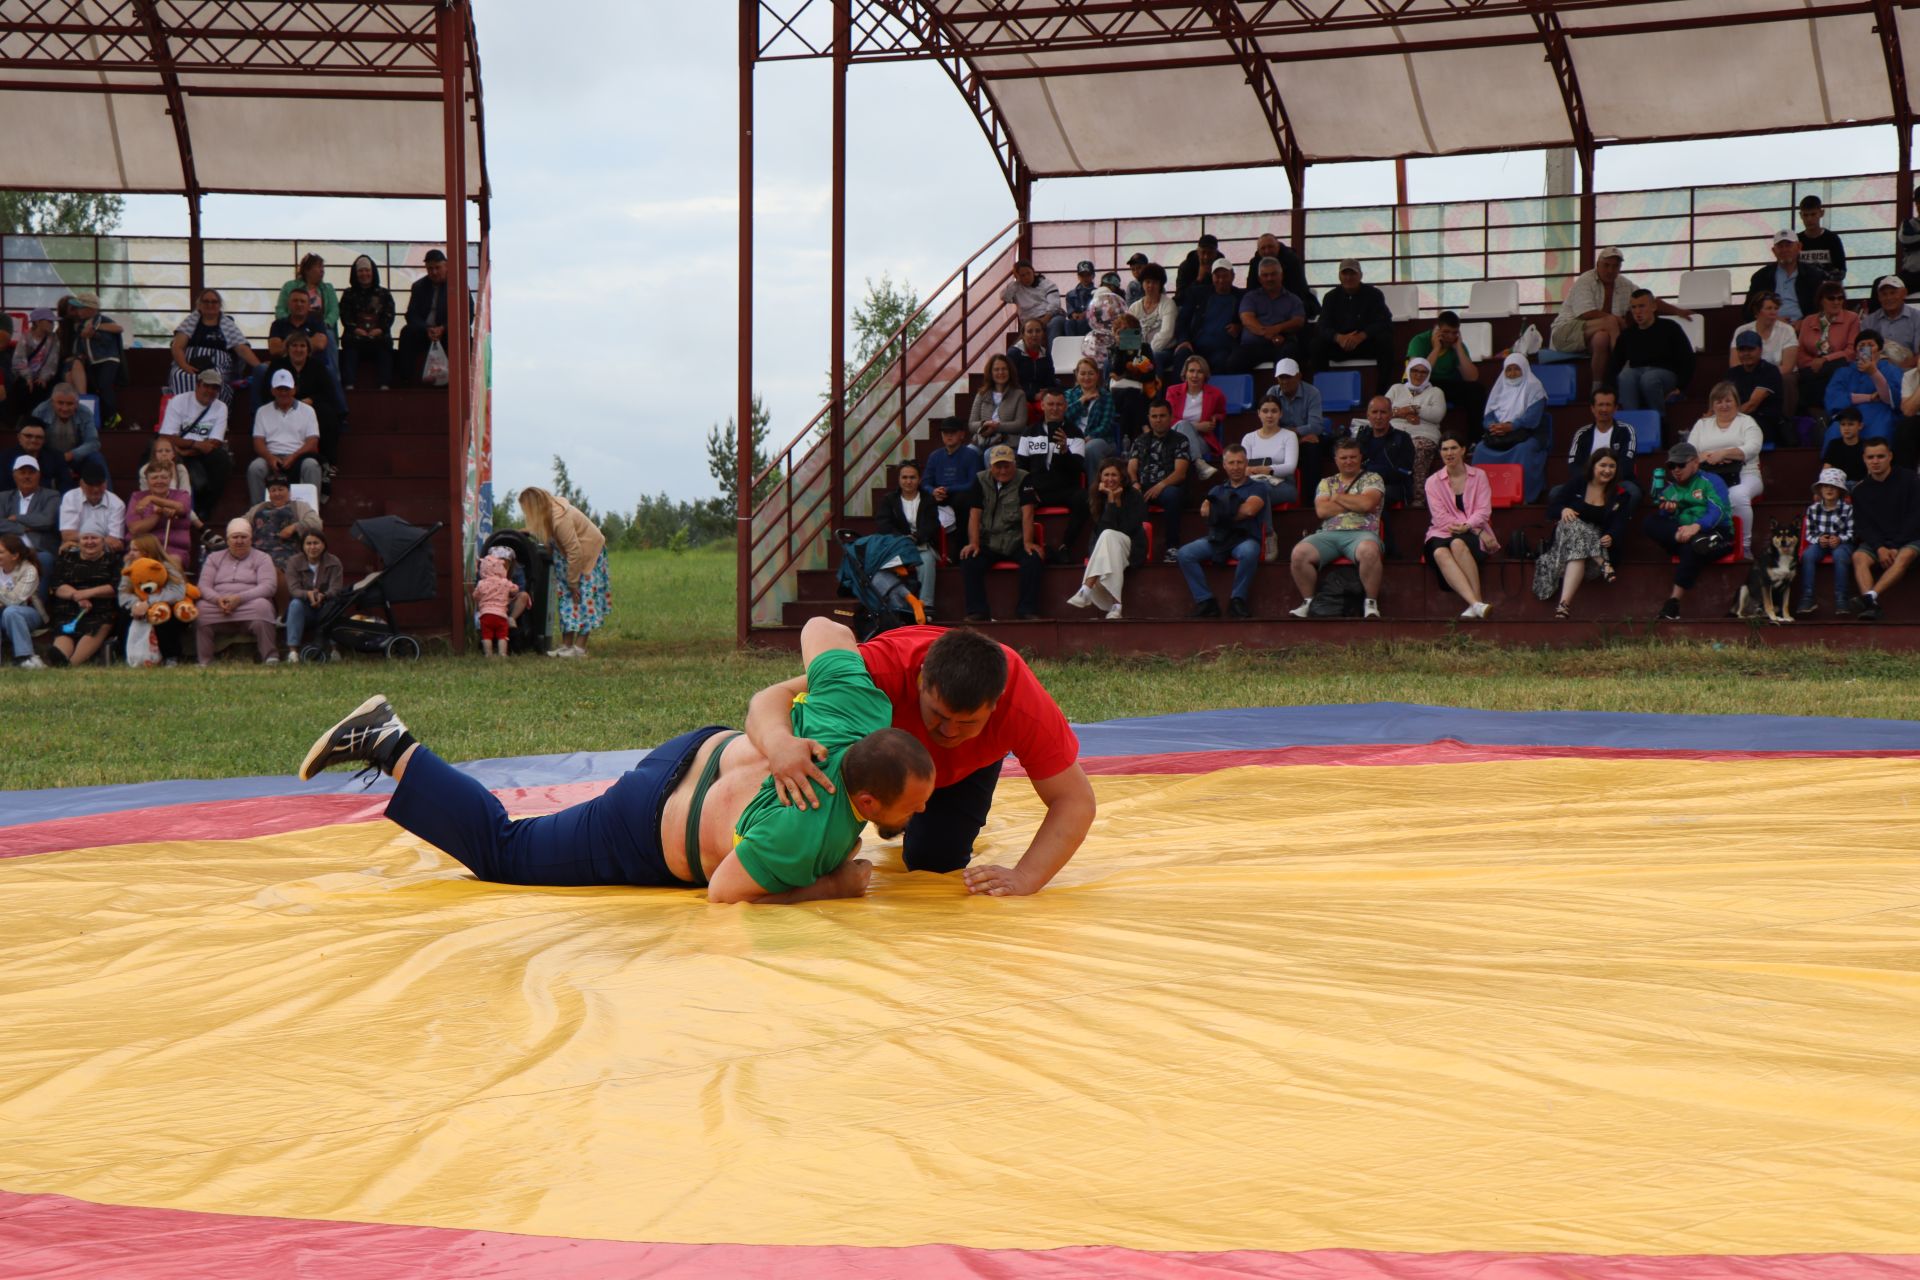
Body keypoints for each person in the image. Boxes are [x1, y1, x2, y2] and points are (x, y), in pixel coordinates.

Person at [301, 622, 939, 903]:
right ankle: (387, 742)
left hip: (695, 751)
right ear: (865, 804)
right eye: (914, 806)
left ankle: (390, 744)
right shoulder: (807, 831)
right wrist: (834, 886)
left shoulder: (858, 710)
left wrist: (793, 702)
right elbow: (725, 891)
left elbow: (827, 627)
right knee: (507, 852)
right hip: (647, 827)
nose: (923, 813)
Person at [746, 622, 1093, 892]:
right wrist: (779, 745)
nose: (949, 732)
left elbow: (1075, 800)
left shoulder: (1023, 704)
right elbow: (773, 696)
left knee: (934, 865)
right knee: (797, 809)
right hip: (880, 759)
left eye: (968, 723)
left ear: (997, 703)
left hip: (961, 773)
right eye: (938, 715)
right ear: (921, 679)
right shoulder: (882, 670)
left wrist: (1025, 877)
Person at [1551, 247, 1683, 387]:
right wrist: (1618, 320)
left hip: (1591, 337)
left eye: (1615, 266)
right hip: (1564, 333)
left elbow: (1648, 301)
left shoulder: (1624, 284)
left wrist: (1679, 311)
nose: (1610, 270)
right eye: (1606, 265)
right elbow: (1586, 313)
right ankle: (1626, 368)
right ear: (1598, 264)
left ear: (1620, 267)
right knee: (1611, 321)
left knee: (1601, 339)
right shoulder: (1585, 280)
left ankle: (1598, 386)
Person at [1290, 436, 1385, 620]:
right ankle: (1309, 602)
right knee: (1299, 553)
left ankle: (1371, 603)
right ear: (1335, 460)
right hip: (1328, 534)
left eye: (1353, 457)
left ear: (1360, 457)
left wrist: (1337, 498)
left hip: (1362, 533)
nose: (1348, 461)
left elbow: (1367, 504)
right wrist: (1354, 502)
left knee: (1369, 551)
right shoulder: (1327, 482)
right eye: (1343, 458)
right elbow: (1322, 510)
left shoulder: (1372, 478)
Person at [1176, 444, 1268, 619]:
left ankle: (1237, 600)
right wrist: (1233, 510)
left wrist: (1218, 513)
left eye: (1240, 462)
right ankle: (1206, 601)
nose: (1236, 467)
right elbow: (1204, 511)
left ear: (1246, 463)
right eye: (1231, 463)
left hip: (1244, 538)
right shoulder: (1216, 490)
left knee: (1250, 551)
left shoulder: (1258, 488)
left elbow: (1249, 510)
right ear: (1224, 465)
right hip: (1217, 539)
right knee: (1185, 553)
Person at [1643, 442, 1732, 621]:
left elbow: (1718, 511)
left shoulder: (1711, 481)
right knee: (1650, 522)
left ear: (1695, 463)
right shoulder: (1669, 490)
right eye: (1671, 466)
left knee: (1694, 548)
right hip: (1683, 536)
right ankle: (1688, 539)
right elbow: (1664, 523)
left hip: (1715, 532)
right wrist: (1670, 512)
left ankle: (1673, 602)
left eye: (1681, 465)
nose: (1676, 470)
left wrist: (1696, 527)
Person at [519, 485, 610, 658]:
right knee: (566, 602)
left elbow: (575, 551)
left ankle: (580, 649)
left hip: (586, 555)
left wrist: (573, 582)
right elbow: (544, 529)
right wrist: (524, 532)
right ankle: (567, 646)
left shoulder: (560, 519)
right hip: (568, 557)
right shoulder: (548, 512)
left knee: (583, 598)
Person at [1537, 448, 1630, 617]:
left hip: (1589, 554)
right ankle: (1603, 563)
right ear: (1593, 466)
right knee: (1571, 522)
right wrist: (1564, 509)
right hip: (1564, 545)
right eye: (1603, 465)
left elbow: (1619, 523)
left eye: (1612, 466)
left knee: (1577, 550)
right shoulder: (1578, 483)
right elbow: (1553, 508)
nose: (1607, 470)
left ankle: (1563, 606)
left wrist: (1612, 535)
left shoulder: (1620, 495)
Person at [960, 444, 1043, 622]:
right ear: (991, 467)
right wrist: (973, 543)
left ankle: (1026, 610)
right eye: (998, 466)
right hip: (988, 540)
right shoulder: (980, 480)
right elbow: (974, 514)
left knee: (1033, 559)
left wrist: (1028, 542)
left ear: (1014, 464)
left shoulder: (1024, 478)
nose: (1003, 470)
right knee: (969, 560)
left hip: (1015, 539)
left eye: (1007, 466)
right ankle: (978, 611)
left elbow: (1028, 512)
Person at [1422, 435, 1500, 619]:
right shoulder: (1432, 481)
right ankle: (1476, 603)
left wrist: (1470, 527)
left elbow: (1483, 511)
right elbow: (1440, 518)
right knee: (1440, 552)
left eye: (1453, 448)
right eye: (1444, 449)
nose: (1449, 453)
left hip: (1471, 530)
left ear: (1463, 450)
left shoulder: (1478, 475)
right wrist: (1475, 530)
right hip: (1441, 532)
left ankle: (1476, 603)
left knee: (1457, 544)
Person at [1687, 380, 1765, 554]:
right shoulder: (1702, 424)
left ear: (1736, 402)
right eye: (1719, 401)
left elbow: (1753, 448)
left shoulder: (1747, 422)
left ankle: (1743, 547)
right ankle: (1704, 543)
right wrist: (1706, 457)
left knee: (1737, 495)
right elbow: (1688, 452)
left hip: (1746, 473)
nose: (1724, 405)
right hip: (1709, 475)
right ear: (1712, 405)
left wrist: (1724, 453)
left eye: (1728, 400)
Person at [1847, 438, 1920, 620]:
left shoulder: (1910, 479)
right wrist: (1879, 547)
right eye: (1871, 457)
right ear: (1864, 459)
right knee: (1858, 557)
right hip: (1879, 542)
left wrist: (1895, 545)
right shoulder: (1859, 490)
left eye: (1880, 456)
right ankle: (1873, 606)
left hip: (1909, 538)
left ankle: (1869, 597)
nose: (1875, 461)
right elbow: (1863, 525)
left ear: (1890, 457)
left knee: (1904, 556)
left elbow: (1916, 516)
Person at [268, 330, 345, 496]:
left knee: (328, 415)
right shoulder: (278, 366)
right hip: (281, 405)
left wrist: (311, 400)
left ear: (308, 350)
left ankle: (328, 461)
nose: (298, 349)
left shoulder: (317, 367)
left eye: (302, 346)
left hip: (310, 406)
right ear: (288, 349)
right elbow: (266, 391)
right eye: (294, 346)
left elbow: (327, 392)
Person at [1068, 458, 1145, 620]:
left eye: (1114, 475)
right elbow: (1103, 529)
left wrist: (1115, 501)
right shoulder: (1097, 496)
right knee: (1108, 537)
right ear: (1100, 478)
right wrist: (1110, 500)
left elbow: (1128, 528)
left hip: (1132, 546)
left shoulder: (1134, 496)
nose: (1110, 479)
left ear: (1122, 477)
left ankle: (1086, 589)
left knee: (1109, 536)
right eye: (1106, 475)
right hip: (1108, 547)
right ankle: (1117, 606)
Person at [194, 519, 279, 664]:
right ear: (227, 540)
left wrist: (239, 598)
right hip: (219, 606)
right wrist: (218, 600)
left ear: (251, 539)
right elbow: (203, 586)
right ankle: (205, 661)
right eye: (235, 537)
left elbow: (269, 586)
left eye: (244, 537)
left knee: (263, 606)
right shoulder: (214, 558)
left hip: (249, 604)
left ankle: (270, 657)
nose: (239, 541)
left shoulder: (263, 558)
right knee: (201, 608)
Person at [157, 368, 233, 519]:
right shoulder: (178, 401)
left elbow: (215, 442)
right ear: (198, 385)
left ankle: (205, 509)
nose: (210, 391)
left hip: (196, 451)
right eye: (207, 386)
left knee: (223, 460)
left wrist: (188, 451)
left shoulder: (221, 407)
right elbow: (167, 435)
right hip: (177, 448)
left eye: (215, 388)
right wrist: (194, 444)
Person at [1312, 258, 1396, 390]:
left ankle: (1382, 393)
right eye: (1345, 274)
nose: (1348, 278)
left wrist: (1362, 336)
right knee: (1317, 346)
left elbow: (1385, 322)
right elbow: (1322, 326)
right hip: (1340, 346)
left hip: (1365, 344)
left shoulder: (1374, 294)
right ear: (1339, 276)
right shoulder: (1331, 297)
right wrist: (1338, 337)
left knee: (1386, 342)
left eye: (1353, 274)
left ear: (1360, 275)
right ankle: (1325, 392)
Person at [1476, 354, 1550, 501]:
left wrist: (1511, 426)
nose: (1512, 373)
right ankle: (1482, 498)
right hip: (1501, 435)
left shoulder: (1534, 387)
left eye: (1517, 369)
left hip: (1529, 434)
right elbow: (1489, 415)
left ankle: (1523, 497)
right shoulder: (1500, 387)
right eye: (1508, 370)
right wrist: (1493, 426)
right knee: (1480, 449)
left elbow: (1532, 417)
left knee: (1524, 450)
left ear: (1525, 369)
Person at [1607, 288, 1695, 412]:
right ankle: (1632, 423)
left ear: (1653, 306)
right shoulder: (1627, 335)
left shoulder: (1670, 328)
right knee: (1625, 376)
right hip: (1637, 374)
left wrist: (1681, 387)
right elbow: (1615, 365)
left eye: (1642, 306)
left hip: (1665, 374)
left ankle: (1659, 420)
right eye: (1634, 307)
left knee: (1649, 378)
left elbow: (1688, 359)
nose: (1637, 312)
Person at [167, 289, 261, 403]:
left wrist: (259, 367)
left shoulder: (228, 324)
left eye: (214, 302)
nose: (210, 305)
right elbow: (177, 347)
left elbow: (242, 349)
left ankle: (211, 415)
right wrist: (185, 366)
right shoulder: (190, 321)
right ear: (199, 305)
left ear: (219, 305)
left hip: (219, 365)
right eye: (206, 301)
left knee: (213, 378)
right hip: (190, 363)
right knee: (180, 376)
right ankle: (185, 415)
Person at [246, 370, 324, 506]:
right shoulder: (262, 411)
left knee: (312, 465)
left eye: (287, 389)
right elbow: (258, 442)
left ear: (294, 389)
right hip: (271, 456)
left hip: (299, 456)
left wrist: (294, 457)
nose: (283, 392)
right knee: (255, 467)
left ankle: (311, 514)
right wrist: (270, 458)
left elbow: (312, 441)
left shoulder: (308, 410)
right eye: (279, 389)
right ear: (272, 390)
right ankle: (258, 512)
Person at [875, 459, 942, 614]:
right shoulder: (889, 500)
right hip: (897, 546)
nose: (908, 481)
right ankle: (895, 605)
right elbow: (883, 524)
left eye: (912, 477)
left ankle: (926, 605)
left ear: (919, 480)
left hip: (921, 543)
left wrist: (916, 537)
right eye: (904, 477)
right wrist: (902, 539)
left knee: (926, 560)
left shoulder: (928, 499)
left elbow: (932, 525)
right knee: (885, 566)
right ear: (899, 479)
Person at [1128, 399, 1191, 561]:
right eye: (1154, 416)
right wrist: (1135, 483)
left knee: (1172, 495)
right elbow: (1131, 467)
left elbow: (1180, 473)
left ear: (1170, 417)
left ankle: (1172, 547)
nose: (1158, 420)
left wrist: (1161, 485)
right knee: (1131, 495)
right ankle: (1137, 548)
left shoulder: (1180, 439)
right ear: (1148, 418)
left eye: (1162, 416)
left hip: (1169, 486)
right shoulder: (1140, 440)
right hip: (1142, 485)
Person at [117, 533, 193, 666]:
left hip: (165, 605)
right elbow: (123, 592)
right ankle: (128, 656)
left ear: (147, 551)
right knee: (124, 616)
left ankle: (171, 656)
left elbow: (177, 592)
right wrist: (136, 605)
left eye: (135, 550)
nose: (131, 553)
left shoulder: (166, 566)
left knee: (163, 616)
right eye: (131, 550)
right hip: (138, 605)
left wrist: (149, 603)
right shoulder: (130, 565)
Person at [45, 531, 120, 667]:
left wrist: (87, 593)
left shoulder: (113, 560)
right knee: (65, 630)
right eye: (85, 538)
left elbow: (115, 587)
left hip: (100, 610)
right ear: (79, 542)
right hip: (69, 608)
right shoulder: (66, 558)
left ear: (103, 541)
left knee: (97, 626)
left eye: (94, 538)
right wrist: (76, 596)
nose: (89, 542)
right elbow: (57, 585)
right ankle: (60, 658)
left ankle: (71, 665)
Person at [398, 249, 468, 384]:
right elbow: (411, 314)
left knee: (460, 337)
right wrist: (427, 329)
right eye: (430, 268)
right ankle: (405, 379)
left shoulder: (458, 285)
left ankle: (457, 381)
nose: (434, 272)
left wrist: (444, 328)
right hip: (425, 331)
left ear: (446, 266)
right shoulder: (418, 286)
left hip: (447, 331)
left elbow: (467, 314)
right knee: (407, 333)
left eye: (437, 268)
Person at [1730, 290, 1802, 418]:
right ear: (1757, 311)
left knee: (1786, 380)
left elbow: (1787, 367)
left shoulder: (1787, 330)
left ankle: (1784, 420)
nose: (1773, 312)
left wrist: (1764, 377)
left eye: (1775, 308)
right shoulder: (1742, 330)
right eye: (1768, 308)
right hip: (1749, 373)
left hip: (1779, 375)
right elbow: (1735, 364)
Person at [1405, 310, 1484, 427]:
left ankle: (1474, 440)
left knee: (1477, 390)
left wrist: (1458, 349)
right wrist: (1436, 348)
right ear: (1437, 329)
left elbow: (1472, 377)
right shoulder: (1420, 341)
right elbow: (1418, 375)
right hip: (1424, 384)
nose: (1450, 337)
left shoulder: (1458, 345)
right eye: (1446, 332)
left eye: (1454, 333)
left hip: (1448, 384)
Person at [60, 291, 124, 429]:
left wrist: (94, 334)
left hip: (108, 360)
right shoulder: (81, 324)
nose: (78, 311)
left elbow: (110, 338)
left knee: (104, 386)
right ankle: (103, 416)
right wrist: (79, 354)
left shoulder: (103, 320)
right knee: (97, 388)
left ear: (91, 309)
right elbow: (81, 343)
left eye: (80, 308)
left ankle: (113, 415)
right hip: (93, 362)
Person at [1823, 329, 1901, 440]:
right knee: (1835, 433)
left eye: (1870, 345)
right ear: (1856, 350)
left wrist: (1874, 372)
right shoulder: (1843, 372)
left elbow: (1894, 399)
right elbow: (1834, 396)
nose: (1866, 349)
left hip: (1881, 414)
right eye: (1862, 345)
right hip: (1849, 414)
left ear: (1880, 349)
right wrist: (1868, 397)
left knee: (1880, 432)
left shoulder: (1891, 370)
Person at [1387, 356, 1446, 503]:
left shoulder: (1436, 392)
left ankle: (1417, 498)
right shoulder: (1396, 389)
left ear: (1428, 374)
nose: (1419, 375)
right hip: (1396, 431)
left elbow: (1437, 415)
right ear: (1408, 371)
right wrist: (1402, 412)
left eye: (1423, 372)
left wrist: (1415, 409)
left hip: (1424, 433)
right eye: (1414, 370)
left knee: (1417, 448)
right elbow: (1382, 410)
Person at [1797, 467, 1855, 617]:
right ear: (1820, 490)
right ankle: (1808, 597)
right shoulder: (1813, 509)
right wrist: (1818, 539)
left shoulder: (1848, 509)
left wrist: (1840, 539)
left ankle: (1842, 598)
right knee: (1808, 555)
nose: (1829, 489)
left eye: (1834, 487)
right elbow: (1809, 533)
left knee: (1840, 556)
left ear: (1840, 491)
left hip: (1842, 543)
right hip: (1820, 543)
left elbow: (1852, 532)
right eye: (1826, 486)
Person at [1233, 256, 1306, 374]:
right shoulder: (1250, 297)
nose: (1269, 278)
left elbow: (1298, 321)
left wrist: (1278, 328)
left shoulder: (1293, 299)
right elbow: (1247, 319)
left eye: (1273, 274)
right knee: (1234, 362)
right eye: (1265, 275)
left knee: (1288, 358)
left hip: (1282, 343)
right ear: (1259, 278)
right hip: (1254, 345)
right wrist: (1271, 335)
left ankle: (1280, 392)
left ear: (1281, 275)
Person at [1796, 281, 1859, 415]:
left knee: (1834, 370)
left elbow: (1852, 352)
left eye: (1840, 298)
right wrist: (1813, 364)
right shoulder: (1808, 320)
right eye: (1831, 298)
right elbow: (1800, 352)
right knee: (1805, 376)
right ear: (1821, 301)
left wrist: (1825, 359)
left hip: (1839, 365)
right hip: (1812, 368)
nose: (1836, 302)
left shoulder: (1852, 319)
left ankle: (1825, 413)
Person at [1266, 357, 1326, 492]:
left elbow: (1316, 426)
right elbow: (1269, 426)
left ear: (1299, 376)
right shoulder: (1272, 393)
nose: (1284, 381)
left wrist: (1292, 434)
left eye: (1288, 377)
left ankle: (1312, 497)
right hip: (1283, 440)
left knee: (1313, 448)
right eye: (1281, 377)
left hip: (1305, 440)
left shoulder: (1312, 393)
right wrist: (1297, 435)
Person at [126, 459, 199, 571]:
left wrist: (152, 498)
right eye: (154, 478)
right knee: (130, 561)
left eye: (164, 477)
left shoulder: (182, 495)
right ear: (147, 480)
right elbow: (135, 529)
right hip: (144, 549)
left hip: (173, 549)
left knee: (170, 563)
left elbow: (181, 508)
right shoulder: (137, 497)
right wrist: (159, 513)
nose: (159, 481)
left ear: (170, 479)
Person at [1173, 258, 1243, 373]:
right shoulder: (1197, 294)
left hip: (1223, 349)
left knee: (1223, 361)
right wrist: (1184, 340)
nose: (1221, 280)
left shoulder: (1241, 297)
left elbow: (1250, 318)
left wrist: (1240, 327)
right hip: (1196, 346)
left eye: (1225, 276)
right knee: (1182, 354)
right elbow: (1182, 320)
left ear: (1233, 276)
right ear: (1212, 276)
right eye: (1217, 276)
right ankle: (1176, 391)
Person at [338, 254, 396, 391]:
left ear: (372, 271)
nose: (364, 274)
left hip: (378, 336)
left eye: (367, 270)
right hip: (356, 336)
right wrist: (355, 329)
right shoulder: (348, 294)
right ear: (355, 273)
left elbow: (389, 315)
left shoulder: (384, 293)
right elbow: (345, 315)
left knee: (385, 347)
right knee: (350, 347)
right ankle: (349, 385)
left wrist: (381, 329)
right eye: (361, 271)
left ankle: (384, 384)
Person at [244, 474, 322, 575]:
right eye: (273, 490)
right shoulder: (259, 507)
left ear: (289, 491)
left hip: (285, 554)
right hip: (257, 552)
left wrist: (294, 527)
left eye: (281, 489)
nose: (277, 493)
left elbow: (317, 523)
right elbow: (241, 523)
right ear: (269, 493)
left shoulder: (299, 506)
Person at [1346, 396, 1416, 509]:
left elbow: (1404, 471)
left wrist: (1372, 474)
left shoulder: (1402, 438)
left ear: (1390, 414)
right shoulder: (1362, 438)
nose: (1378, 417)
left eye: (1383, 412)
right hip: (1363, 485)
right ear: (1368, 415)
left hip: (1392, 487)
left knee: (1372, 498)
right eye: (1374, 412)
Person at [1747, 229, 1829, 324]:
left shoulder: (1813, 275)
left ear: (1799, 247)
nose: (1784, 250)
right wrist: (1772, 319)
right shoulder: (1761, 276)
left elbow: (1822, 308)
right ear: (1774, 251)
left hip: (1805, 328)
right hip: (1769, 327)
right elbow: (1748, 311)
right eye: (1780, 246)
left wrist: (1804, 323)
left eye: (1788, 245)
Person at [285, 530, 343, 660]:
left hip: (326, 605)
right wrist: (308, 594)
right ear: (303, 546)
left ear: (323, 545)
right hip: (305, 608)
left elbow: (336, 588)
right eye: (308, 543)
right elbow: (294, 589)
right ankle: (293, 652)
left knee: (336, 606)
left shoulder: (334, 562)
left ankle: (334, 650)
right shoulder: (294, 562)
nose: (312, 547)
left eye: (316, 543)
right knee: (295, 604)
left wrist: (323, 596)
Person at [1163, 354, 1226, 474]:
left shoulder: (1216, 394)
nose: (1195, 376)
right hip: (1174, 437)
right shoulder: (1172, 391)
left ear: (1205, 375)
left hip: (1201, 440)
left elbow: (1221, 412)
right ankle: (1199, 463)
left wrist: (1215, 417)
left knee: (1185, 443)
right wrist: (1196, 426)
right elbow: (1169, 419)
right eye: (1191, 371)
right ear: (1185, 373)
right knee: (1183, 424)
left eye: (1200, 372)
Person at [31, 383, 104, 486]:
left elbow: (93, 442)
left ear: (77, 403)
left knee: (96, 458)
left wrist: (71, 455)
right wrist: (57, 460)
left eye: (70, 404)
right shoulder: (40, 412)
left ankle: (106, 496)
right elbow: (33, 441)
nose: (64, 408)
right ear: (52, 402)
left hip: (76, 458)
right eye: (60, 403)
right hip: (49, 458)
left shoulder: (85, 412)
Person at [1241, 395, 1300, 520]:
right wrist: (1248, 470)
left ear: (1281, 414)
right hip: (1254, 482)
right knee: (1254, 489)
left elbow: (1290, 467)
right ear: (1258, 413)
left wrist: (1268, 470)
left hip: (1284, 484)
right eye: (1265, 411)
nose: (1269, 415)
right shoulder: (1248, 438)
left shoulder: (1289, 436)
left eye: (1274, 411)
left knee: (1261, 489)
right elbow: (1243, 466)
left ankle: (1266, 534)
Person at [0, 456, 58, 581]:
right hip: (7, 550)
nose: (27, 476)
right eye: (22, 472)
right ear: (14, 475)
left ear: (39, 475)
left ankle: (39, 601)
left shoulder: (51, 495)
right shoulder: (4, 497)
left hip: (37, 550)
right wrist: (22, 528)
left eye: (31, 472)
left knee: (45, 559)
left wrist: (16, 517)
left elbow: (46, 520)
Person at [922, 416, 982, 535]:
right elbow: (925, 482)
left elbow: (973, 483)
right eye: (945, 432)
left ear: (962, 434)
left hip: (961, 497)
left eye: (953, 432)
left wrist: (947, 489)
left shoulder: (971, 455)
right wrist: (933, 491)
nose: (949, 436)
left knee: (964, 500)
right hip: (939, 495)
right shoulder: (935, 456)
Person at [1065, 361, 1122, 483]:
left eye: (1090, 373)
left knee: (1090, 448)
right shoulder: (1069, 395)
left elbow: (1105, 426)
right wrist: (1081, 401)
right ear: (1076, 375)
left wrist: (1087, 438)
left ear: (1097, 375)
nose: (1086, 378)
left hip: (1101, 440)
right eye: (1083, 373)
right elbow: (1064, 417)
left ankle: (1094, 490)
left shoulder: (1106, 397)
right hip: (1072, 439)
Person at [1728, 330, 1788, 446]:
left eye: (1750, 349)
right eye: (1742, 350)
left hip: (1764, 423)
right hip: (1737, 420)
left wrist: (1726, 419)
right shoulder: (1732, 373)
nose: (1746, 353)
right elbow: (1720, 398)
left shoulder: (1770, 371)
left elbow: (1752, 405)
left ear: (1760, 350)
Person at [1243, 233, 1318, 320]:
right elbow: (1251, 288)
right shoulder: (1255, 262)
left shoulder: (1291, 259)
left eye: (1270, 247)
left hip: (1289, 300)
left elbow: (1298, 288)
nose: (1267, 251)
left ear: (1278, 246)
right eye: (1263, 248)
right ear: (1258, 251)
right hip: (1263, 302)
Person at [57, 459, 125, 555]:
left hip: (105, 554)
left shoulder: (117, 504)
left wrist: (83, 539)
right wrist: (101, 540)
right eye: (91, 485)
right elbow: (67, 535)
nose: (96, 489)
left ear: (106, 483)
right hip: (76, 552)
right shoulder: (70, 497)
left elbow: (115, 543)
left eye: (99, 484)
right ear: (81, 484)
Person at [0, 532, 47, 668]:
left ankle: (25, 657)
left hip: (29, 613)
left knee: (12, 611)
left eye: (1, 552)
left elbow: (16, 600)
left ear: (15, 556)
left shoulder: (29, 570)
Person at [8, 309, 61, 420]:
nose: (52, 324)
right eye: (49, 321)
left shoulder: (53, 338)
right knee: (24, 389)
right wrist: (28, 377)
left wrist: (44, 377)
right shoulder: (26, 337)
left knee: (42, 389)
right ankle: (19, 419)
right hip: (25, 375)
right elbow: (19, 359)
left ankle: (36, 419)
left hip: (44, 376)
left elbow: (53, 360)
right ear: (37, 322)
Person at [1127, 263, 1179, 377]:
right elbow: (1128, 337)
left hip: (1163, 351)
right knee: (1111, 361)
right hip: (1138, 352)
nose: (1150, 286)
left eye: (1155, 282)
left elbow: (1166, 334)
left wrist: (1145, 355)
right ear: (1142, 283)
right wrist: (1134, 354)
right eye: (1147, 282)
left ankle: (1155, 394)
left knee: (1155, 358)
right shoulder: (1134, 307)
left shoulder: (1168, 304)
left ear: (1160, 284)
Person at [969, 352, 1030, 446]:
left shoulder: (1019, 394)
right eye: (996, 369)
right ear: (991, 373)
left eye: (1004, 369)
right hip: (983, 440)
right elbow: (972, 424)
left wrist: (996, 427)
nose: (1000, 372)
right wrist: (984, 424)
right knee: (970, 453)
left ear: (1010, 371)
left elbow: (1020, 425)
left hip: (1008, 441)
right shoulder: (981, 394)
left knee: (989, 454)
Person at [1000, 259, 1065, 346]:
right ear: (1017, 276)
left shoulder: (1046, 284)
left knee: (1055, 324)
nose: (1026, 277)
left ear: (1033, 271)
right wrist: (1016, 282)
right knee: (1016, 348)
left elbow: (1054, 303)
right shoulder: (1016, 288)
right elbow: (1005, 296)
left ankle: (1052, 355)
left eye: (1028, 273)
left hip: (1049, 316)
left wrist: (1045, 319)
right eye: (1022, 275)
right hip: (1029, 321)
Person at [274, 252, 340, 336]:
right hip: (293, 327)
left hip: (322, 329)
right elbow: (280, 310)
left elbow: (334, 311)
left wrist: (325, 324)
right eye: (319, 267)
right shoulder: (289, 286)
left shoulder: (328, 288)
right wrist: (291, 323)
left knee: (328, 336)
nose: (322, 270)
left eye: (323, 267)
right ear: (307, 270)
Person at [1864, 276, 1920, 368]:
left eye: (1893, 293)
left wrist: (1897, 370)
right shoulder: (1868, 322)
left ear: (1904, 293)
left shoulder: (1917, 318)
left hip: (1909, 371)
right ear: (1879, 297)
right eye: (1884, 294)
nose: (1889, 297)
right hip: (1876, 371)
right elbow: (1865, 354)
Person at [1796, 194, 1847, 284]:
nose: (1809, 219)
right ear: (1801, 215)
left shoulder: (1832, 239)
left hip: (1828, 293)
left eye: (1813, 214)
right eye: (1806, 215)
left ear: (1821, 213)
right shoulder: (1796, 241)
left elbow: (1841, 272)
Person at [473, 553, 516, 659]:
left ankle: (488, 654)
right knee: (502, 635)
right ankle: (502, 653)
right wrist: (511, 593)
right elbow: (515, 589)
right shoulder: (504, 582)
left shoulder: (481, 583)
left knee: (486, 635)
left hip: (486, 615)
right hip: (501, 615)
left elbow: (475, 596)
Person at [1006, 317, 1056, 400]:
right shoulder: (1014, 354)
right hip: (1020, 398)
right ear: (1023, 334)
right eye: (1030, 331)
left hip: (1041, 398)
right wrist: (1032, 396)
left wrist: (1048, 391)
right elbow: (1011, 384)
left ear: (1043, 333)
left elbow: (1050, 380)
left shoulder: (1045, 354)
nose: (1034, 335)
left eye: (1038, 331)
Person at [1173, 233, 1226, 305]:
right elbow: (1180, 297)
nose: (1206, 257)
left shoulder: (1222, 265)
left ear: (1216, 253)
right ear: (1198, 251)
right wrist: (1198, 279)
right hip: (1191, 305)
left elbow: (1227, 291)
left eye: (1210, 253)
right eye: (1203, 252)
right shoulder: (1186, 266)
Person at [1822, 406, 1869, 483]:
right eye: (1843, 424)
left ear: (1860, 426)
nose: (1846, 428)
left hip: (1862, 485)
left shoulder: (1866, 446)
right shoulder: (1834, 444)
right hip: (1839, 486)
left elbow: (1871, 471)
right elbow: (1826, 469)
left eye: (1850, 424)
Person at [1062, 260, 1097, 337]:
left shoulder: (1097, 293)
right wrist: (1074, 314)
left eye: (1088, 275)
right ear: (1078, 276)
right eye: (1082, 275)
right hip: (1076, 322)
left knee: (1085, 322)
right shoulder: (1070, 294)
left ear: (1093, 275)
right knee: (1068, 323)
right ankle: (1071, 344)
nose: (1085, 278)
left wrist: (1086, 314)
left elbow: (1098, 310)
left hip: (1091, 322)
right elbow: (1070, 312)